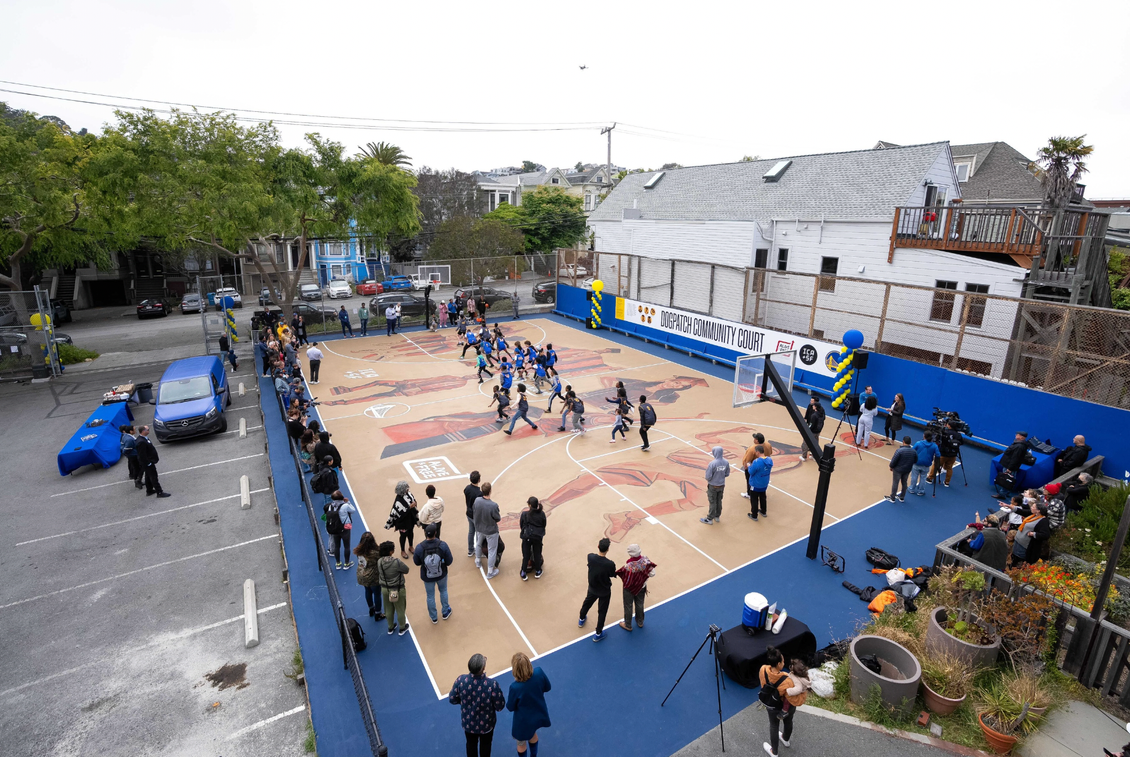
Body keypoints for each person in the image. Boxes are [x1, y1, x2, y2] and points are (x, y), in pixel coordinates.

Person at [449, 653, 506, 757]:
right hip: (487, 725)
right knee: (486, 745)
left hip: (468, 723)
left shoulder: (460, 681)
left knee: (471, 744)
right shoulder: (492, 685)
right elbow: (500, 706)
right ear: (483, 668)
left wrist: (463, 702)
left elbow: (452, 699)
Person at [506, 653, 551, 757]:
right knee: (533, 734)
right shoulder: (539, 672)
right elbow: (547, 687)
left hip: (523, 722)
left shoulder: (515, 687)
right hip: (538, 714)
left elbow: (510, 707)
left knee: (521, 744)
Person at [413, 523, 454, 623]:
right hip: (441, 574)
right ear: (435, 533)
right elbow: (449, 561)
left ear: (425, 533)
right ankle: (445, 611)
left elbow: (416, 562)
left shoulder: (419, 547)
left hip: (427, 576)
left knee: (430, 595)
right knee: (443, 591)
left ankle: (434, 617)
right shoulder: (443, 545)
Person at [578, 537, 617, 641]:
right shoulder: (610, 564)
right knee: (602, 611)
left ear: (598, 546)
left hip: (593, 588)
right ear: (608, 549)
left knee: (587, 603)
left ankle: (581, 618)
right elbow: (612, 574)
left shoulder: (590, 557)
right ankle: (598, 633)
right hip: (604, 591)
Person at [759, 645, 794, 757]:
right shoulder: (786, 679)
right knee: (788, 721)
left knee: (774, 726)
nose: (784, 662)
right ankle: (786, 739)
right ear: (779, 664)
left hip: (771, 705)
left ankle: (774, 752)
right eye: (783, 661)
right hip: (784, 707)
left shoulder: (763, 669)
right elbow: (790, 696)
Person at [617, 544, 657, 632]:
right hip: (641, 587)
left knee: (628, 606)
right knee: (640, 604)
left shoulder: (628, 566)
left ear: (630, 554)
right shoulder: (645, 561)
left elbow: (625, 578)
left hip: (629, 589)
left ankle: (628, 625)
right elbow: (652, 573)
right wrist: (643, 577)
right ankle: (640, 622)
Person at [376, 540, 410, 636]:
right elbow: (406, 570)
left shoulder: (379, 562)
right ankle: (402, 627)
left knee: (388, 609)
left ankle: (390, 627)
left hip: (385, 589)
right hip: (396, 590)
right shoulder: (396, 562)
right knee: (400, 609)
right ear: (391, 552)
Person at [353, 531, 386, 622]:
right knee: (377, 594)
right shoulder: (376, 553)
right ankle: (378, 614)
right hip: (373, 576)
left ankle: (371, 609)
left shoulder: (358, 551)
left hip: (362, 574)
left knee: (367, 591)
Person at [473, 482, 502, 578]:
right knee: (492, 550)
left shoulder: (477, 500)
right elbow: (497, 518)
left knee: (479, 543)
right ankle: (490, 571)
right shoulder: (493, 505)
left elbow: (474, 511)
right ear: (490, 491)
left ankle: (478, 561)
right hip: (490, 531)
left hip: (479, 528)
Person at [323, 490, 357, 569]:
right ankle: (346, 564)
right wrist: (348, 502)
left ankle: (338, 564)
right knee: (346, 546)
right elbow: (353, 510)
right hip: (345, 529)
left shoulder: (331, 506)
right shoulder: (345, 506)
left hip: (335, 529)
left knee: (337, 546)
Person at [385, 481, 419, 559]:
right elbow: (399, 514)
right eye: (406, 488)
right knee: (403, 536)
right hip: (402, 522)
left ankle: (411, 546)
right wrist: (410, 507)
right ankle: (402, 550)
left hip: (410, 519)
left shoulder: (409, 494)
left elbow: (414, 500)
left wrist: (415, 504)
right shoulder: (398, 501)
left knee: (411, 533)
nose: (408, 489)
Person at [928, 418, 964, 488]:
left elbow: (937, 440)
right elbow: (961, 443)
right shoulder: (958, 435)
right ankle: (947, 482)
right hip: (953, 455)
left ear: (949, 426)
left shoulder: (944, 432)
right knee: (949, 468)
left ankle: (930, 478)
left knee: (936, 465)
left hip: (943, 454)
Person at [135, 426, 170, 498]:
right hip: (148, 463)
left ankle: (149, 490)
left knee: (148, 476)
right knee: (153, 477)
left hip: (149, 462)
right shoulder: (141, 442)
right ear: (143, 431)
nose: (149, 430)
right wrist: (148, 463)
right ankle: (159, 492)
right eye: (147, 430)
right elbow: (142, 455)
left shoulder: (144, 439)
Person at [995, 431, 1030, 499]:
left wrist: (1010, 468)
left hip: (1009, 465)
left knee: (1007, 480)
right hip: (1010, 464)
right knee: (1010, 478)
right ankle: (1007, 492)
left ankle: (1002, 494)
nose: (1016, 435)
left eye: (1018, 435)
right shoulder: (1020, 444)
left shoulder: (1019, 446)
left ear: (1022, 437)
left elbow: (1015, 458)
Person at [519, 497, 547, 580]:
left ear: (529, 505)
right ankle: (538, 571)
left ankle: (523, 572)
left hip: (527, 537)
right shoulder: (542, 514)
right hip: (537, 536)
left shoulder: (524, 514)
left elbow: (522, 525)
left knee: (526, 555)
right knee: (537, 553)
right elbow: (544, 524)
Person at [701, 445, 730, 525]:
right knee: (719, 500)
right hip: (721, 485)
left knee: (712, 501)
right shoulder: (726, 462)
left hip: (713, 486)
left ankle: (709, 518)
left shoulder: (712, 464)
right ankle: (717, 516)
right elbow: (727, 474)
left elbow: (708, 476)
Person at [747, 444, 773, 520]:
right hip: (764, 482)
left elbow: (751, 472)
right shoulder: (769, 460)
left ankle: (754, 515)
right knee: (763, 497)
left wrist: (749, 466)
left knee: (754, 499)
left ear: (758, 452)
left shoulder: (756, 462)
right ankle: (763, 511)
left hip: (756, 483)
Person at [910, 432, 940, 496]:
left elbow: (912, 451)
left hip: (917, 463)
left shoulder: (918, 443)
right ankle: (921, 491)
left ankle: (912, 489)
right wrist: (937, 464)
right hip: (926, 464)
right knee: (923, 478)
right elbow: (938, 455)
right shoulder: (934, 446)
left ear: (924, 436)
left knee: (914, 477)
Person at [887, 436, 915, 502]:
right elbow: (915, 460)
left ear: (903, 441)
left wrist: (891, 466)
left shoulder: (899, 451)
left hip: (898, 470)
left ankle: (892, 498)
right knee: (904, 482)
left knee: (895, 483)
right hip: (907, 469)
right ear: (910, 442)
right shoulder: (913, 451)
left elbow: (894, 460)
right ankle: (902, 497)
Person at [799, 396, 825, 462]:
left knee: (805, 443)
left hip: (812, 430)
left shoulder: (814, 415)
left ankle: (804, 456)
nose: (811, 402)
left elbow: (812, 424)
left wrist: (807, 429)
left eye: (812, 401)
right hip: (817, 430)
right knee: (815, 442)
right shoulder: (821, 412)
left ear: (815, 405)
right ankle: (813, 455)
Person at [119, 424, 142, 489]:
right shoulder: (129, 439)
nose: (135, 431)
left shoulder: (127, 436)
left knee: (137, 468)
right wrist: (131, 454)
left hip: (133, 455)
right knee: (137, 468)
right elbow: (127, 449)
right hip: (133, 456)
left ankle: (138, 480)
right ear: (130, 431)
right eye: (134, 430)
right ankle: (137, 481)